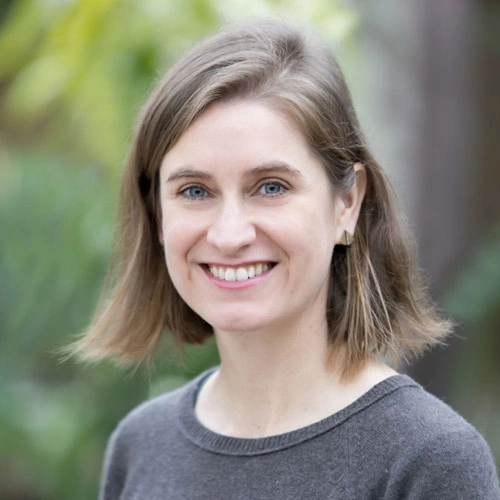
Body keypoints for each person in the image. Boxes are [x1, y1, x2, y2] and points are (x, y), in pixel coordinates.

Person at [70, 20, 500, 499]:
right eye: (195, 191)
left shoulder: (428, 460)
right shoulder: (140, 446)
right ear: (156, 214)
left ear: (348, 202)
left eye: (271, 187)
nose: (230, 234)